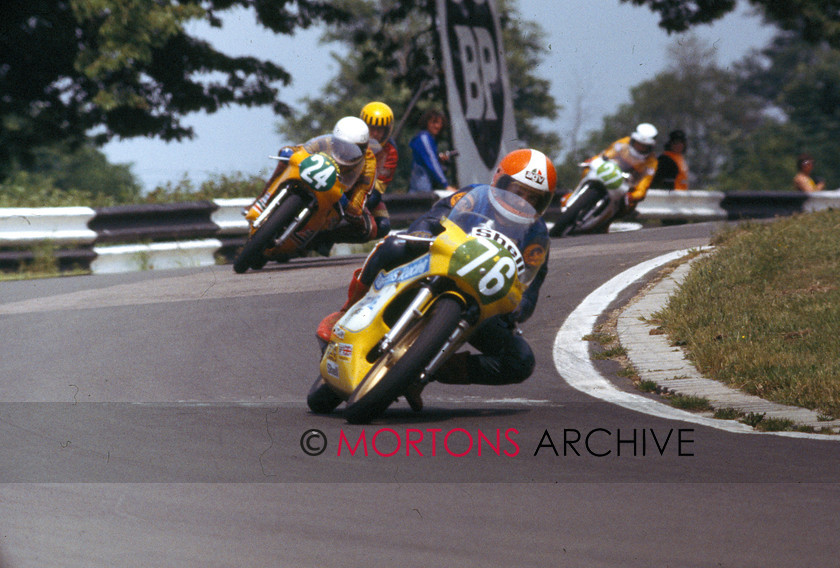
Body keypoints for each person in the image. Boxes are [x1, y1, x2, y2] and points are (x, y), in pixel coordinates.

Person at [316, 148, 557, 410]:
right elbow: (434, 216)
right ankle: (346, 309)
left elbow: (531, 288)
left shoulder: (536, 234)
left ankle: (425, 371)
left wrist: (518, 309)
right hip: (438, 265)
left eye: (532, 198)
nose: (522, 201)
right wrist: (421, 232)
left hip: (483, 302)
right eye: (516, 191)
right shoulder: (474, 196)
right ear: (500, 180)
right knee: (393, 246)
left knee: (520, 360)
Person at [247, 116, 379, 252]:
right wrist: (289, 151)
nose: (345, 151)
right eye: (341, 145)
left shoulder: (368, 163)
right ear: (335, 140)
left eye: (353, 149)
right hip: (315, 173)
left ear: (364, 148)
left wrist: (350, 206)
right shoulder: (326, 142)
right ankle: (261, 199)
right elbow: (301, 149)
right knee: (284, 162)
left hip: (340, 192)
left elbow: (361, 194)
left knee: (370, 229)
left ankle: (318, 238)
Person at [598, 122, 659, 211]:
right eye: (638, 144)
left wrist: (632, 196)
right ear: (632, 140)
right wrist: (595, 160)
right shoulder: (622, 143)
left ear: (650, 147)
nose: (640, 148)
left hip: (625, 190)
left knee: (627, 207)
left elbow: (643, 187)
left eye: (644, 146)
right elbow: (605, 156)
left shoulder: (652, 163)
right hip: (608, 176)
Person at [360, 101, 399, 238]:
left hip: (367, 192)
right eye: (371, 128)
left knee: (383, 225)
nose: (375, 134)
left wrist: (362, 202)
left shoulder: (391, 151)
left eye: (380, 129)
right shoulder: (350, 138)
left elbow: (379, 187)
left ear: (387, 130)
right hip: (342, 184)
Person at [408, 109, 458, 193]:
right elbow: (432, 163)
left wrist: (441, 161)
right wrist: (446, 185)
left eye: (440, 123)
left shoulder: (431, 139)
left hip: (425, 187)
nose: (438, 126)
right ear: (426, 123)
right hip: (421, 189)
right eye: (434, 122)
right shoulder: (424, 138)